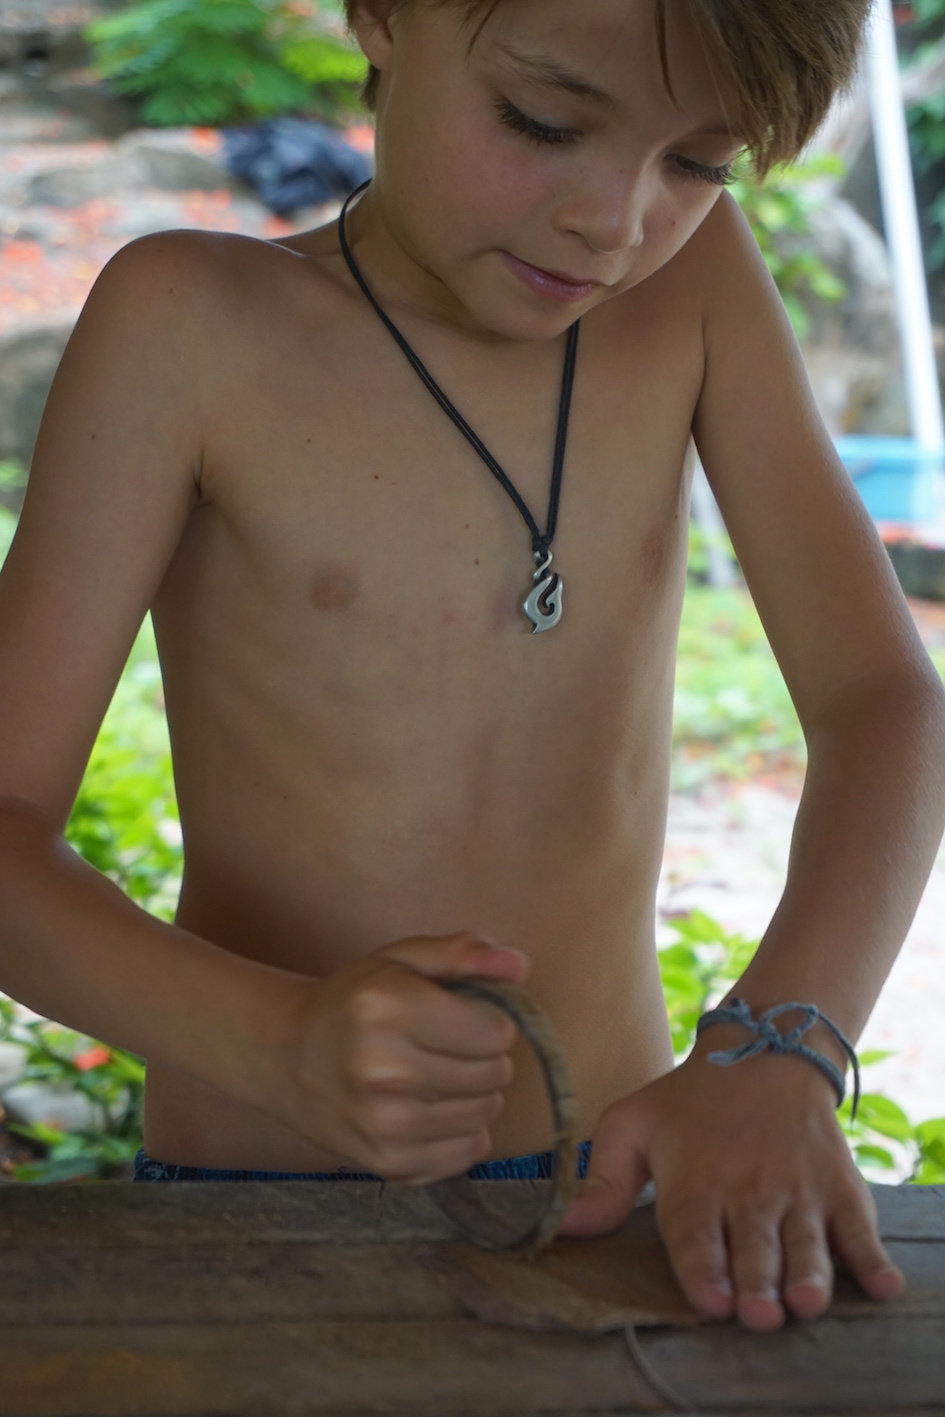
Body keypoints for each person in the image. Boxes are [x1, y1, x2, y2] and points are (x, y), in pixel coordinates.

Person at [1, 0, 942, 1335]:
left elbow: (882, 701)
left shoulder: (690, 290)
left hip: (609, 1192)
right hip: (256, 1200)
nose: (613, 222)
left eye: (697, 162)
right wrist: (273, 1037)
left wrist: (779, 1045)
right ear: (381, 15)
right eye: (542, 122)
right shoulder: (192, 324)